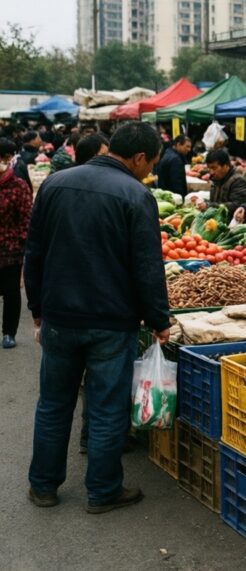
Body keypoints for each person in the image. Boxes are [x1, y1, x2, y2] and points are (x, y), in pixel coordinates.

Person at [24, 121, 170, 514]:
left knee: (53, 404)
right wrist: (159, 319)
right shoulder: (136, 195)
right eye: (151, 163)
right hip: (111, 321)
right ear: (139, 157)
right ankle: (103, 490)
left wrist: (37, 310)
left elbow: (33, 253)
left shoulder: (55, 185)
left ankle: (43, 487)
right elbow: (147, 267)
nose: (149, 170)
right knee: (106, 408)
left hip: (59, 317)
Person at [0, 138, 33, 349]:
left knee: (11, 292)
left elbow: (27, 220)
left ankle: (9, 333)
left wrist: (21, 245)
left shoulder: (18, 186)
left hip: (10, 250)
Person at [204, 149, 246, 214]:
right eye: (209, 168)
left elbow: (237, 205)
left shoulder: (238, 180)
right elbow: (214, 201)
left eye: (214, 168)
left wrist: (209, 206)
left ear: (226, 166)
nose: (211, 172)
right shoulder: (216, 178)